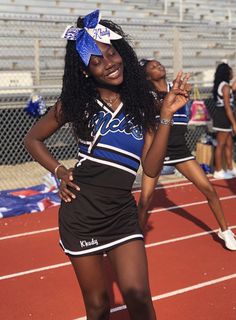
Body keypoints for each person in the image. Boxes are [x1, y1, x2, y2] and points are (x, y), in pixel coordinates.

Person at [24, 10, 191, 320]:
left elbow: (152, 168)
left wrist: (166, 113)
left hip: (121, 213)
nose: (109, 63)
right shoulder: (75, 104)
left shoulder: (142, 104)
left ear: (121, 51)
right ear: (86, 72)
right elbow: (33, 139)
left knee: (139, 297)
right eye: (96, 62)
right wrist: (60, 171)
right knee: (99, 308)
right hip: (81, 214)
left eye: (111, 53)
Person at [137, 58, 236, 251]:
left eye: (159, 64)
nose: (159, 66)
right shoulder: (147, 96)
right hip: (159, 151)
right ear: (148, 76)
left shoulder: (177, 87)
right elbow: (159, 108)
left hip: (180, 150)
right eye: (153, 67)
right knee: (145, 200)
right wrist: (173, 95)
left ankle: (225, 231)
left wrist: (179, 92)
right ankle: (136, 239)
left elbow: (183, 94)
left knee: (209, 189)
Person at [212, 62, 236, 179]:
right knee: (221, 145)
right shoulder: (225, 86)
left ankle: (231, 168)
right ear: (227, 72)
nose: (232, 73)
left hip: (225, 116)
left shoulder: (225, 85)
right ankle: (218, 170)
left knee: (229, 144)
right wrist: (234, 123)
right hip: (223, 117)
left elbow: (234, 89)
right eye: (231, 71)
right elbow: (227, 107)